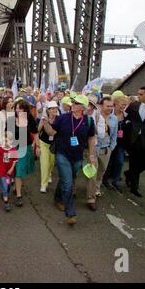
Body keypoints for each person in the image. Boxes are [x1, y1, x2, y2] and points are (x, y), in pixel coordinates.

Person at [45, 95, 96, 226]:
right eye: (73, 102)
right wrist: (45, 123)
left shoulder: (89, 121)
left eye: (77, 103)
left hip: (78, 156)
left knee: (67, 179)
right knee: (68, 183)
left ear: (83, 107)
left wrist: (91, 155)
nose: (73, 104)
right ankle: (70, 213)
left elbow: (91, 138)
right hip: (62, 154)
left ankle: (57, 198)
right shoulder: (63, 118)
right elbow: (51, 132)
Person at [86, 97, 118, 211]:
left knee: (101, 171)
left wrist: (111, 147)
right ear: (101, 106)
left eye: (111, 106)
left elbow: (114, 135)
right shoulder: (94, 116)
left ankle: (96, 188)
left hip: (106, 149)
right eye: (107, 106)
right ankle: (91, 198)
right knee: (93, 173)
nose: (110, 108)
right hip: (94, 148)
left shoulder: (114, 119)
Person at [12, 100, 40, 206]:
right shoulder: (11, 119)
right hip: (14, 147)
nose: (17, 110)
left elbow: (36, 133)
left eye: (20, 108)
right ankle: (18, 192)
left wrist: (38, 146)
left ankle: (17, 191)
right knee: (17, 170)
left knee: (21, 170)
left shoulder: (29, 118)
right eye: (16, 108)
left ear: (25, 109)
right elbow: (6, 134)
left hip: (26, 147)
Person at [103, 94, 130, 193]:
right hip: (109, 142)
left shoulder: (126, 115)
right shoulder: (110, 114)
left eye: (125, 105)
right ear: (116, 103)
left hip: (121, 143)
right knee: (108, 162)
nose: (123, 107)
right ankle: (105, 179)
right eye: (122, 104)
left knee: (119, 161)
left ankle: (116, 180)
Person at [0, 131, 18, 212]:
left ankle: (5, 192)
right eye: (4, 140)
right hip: (2, 170)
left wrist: (11, 169)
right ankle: (6, 202)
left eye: (7, 141)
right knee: (4, 185)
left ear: (11, 141)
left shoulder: (13, 149)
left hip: (10, 171)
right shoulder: (0, 148)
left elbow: (15, 161)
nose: (5, 142)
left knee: (8, 185)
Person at [38, 101, 58, 192]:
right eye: (52, 108)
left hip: (54, 145)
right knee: (44, 164)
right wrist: (36, 145)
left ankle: (49, 174)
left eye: (56, 108)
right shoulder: (44, 119)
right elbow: (37, 131)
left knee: (51, 163)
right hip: (43, 144)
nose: (54, 110)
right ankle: (43, 185)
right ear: (48, 110)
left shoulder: (59, 119)